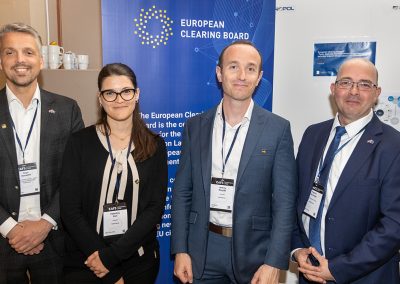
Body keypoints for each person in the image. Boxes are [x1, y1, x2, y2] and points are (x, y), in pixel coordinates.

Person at [171, 40, 297, 284]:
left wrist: (274, 262)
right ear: (219, 73)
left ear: (259, 77)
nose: (242, 76)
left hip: (255, 253)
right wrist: (180, 249)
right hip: (202, 250)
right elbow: (182, 192)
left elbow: (284, 201)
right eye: (233, 67)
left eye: (250, 69)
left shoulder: (278, 129)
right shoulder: (194, 127)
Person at [292, 58, 400, 283]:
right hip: (309, 273)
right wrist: (297, 249)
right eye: (346, 83)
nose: (354, 91)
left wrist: (338, 269)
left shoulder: (393, 146)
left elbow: (393, 224)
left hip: (365, 277)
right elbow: (295, 200)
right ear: (333, 89)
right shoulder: (312, 135)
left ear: (376, 92)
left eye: (364, 84)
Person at [60, 63, 167, 284]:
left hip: (139, 263)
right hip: (87, 261)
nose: (119, 99)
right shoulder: (79, 143)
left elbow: (154, 208)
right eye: (110, 93)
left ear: (136, 94)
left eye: (126, 91)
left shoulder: (155, 145)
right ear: (100, 98)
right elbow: (70, 210)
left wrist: (112, 257)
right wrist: (103, 262)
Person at [0, 22, 84, 283]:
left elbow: (78, 175)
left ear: (40, 60)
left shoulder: (67, 109)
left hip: (54, 239)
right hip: (2, 241)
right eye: (10, 52)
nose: (20, 60)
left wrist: (45, 224)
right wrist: (10, 228)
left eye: (28, 52)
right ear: (0, 60)